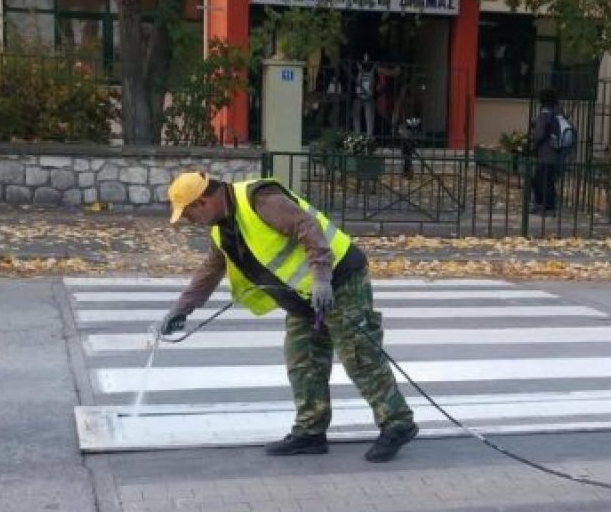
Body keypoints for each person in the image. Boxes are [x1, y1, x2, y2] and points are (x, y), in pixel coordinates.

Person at [160, 171, 420, 462]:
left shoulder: (259, 199)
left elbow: (306, 227)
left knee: (359, 355)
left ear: (203, 201)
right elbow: (211, 269)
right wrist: (182, 308)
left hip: (339, 280)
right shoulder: (223, 230)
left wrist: (322, 278)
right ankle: (310, 432)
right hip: (304, 299)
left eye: (189, 215)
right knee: (302, 359)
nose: (189, 221)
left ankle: (398, 423)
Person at [531, 88, 566, 216]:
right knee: (547, 180)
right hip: (558, 150)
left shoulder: (545, 113)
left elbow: (539, 134)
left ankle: (545, 206)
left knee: (539, 180)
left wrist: (534, 143)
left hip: (546, 151)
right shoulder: (558, 111)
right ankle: (545, 206)